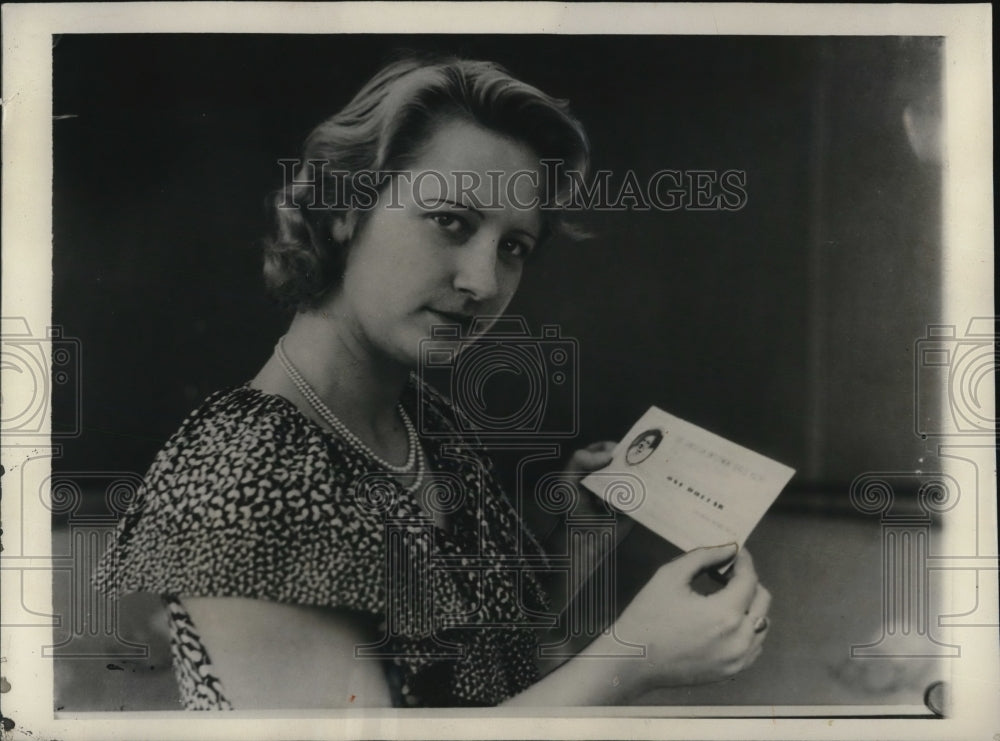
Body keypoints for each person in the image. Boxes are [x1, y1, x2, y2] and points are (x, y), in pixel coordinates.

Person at [95, 55, 771, 709]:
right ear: (345, 208)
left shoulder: (424, 426)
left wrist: (576, 540)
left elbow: (498, 688)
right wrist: (633, 657)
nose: (482, 282)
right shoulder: (241, 472)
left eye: (513, 248)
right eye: (451, 221)